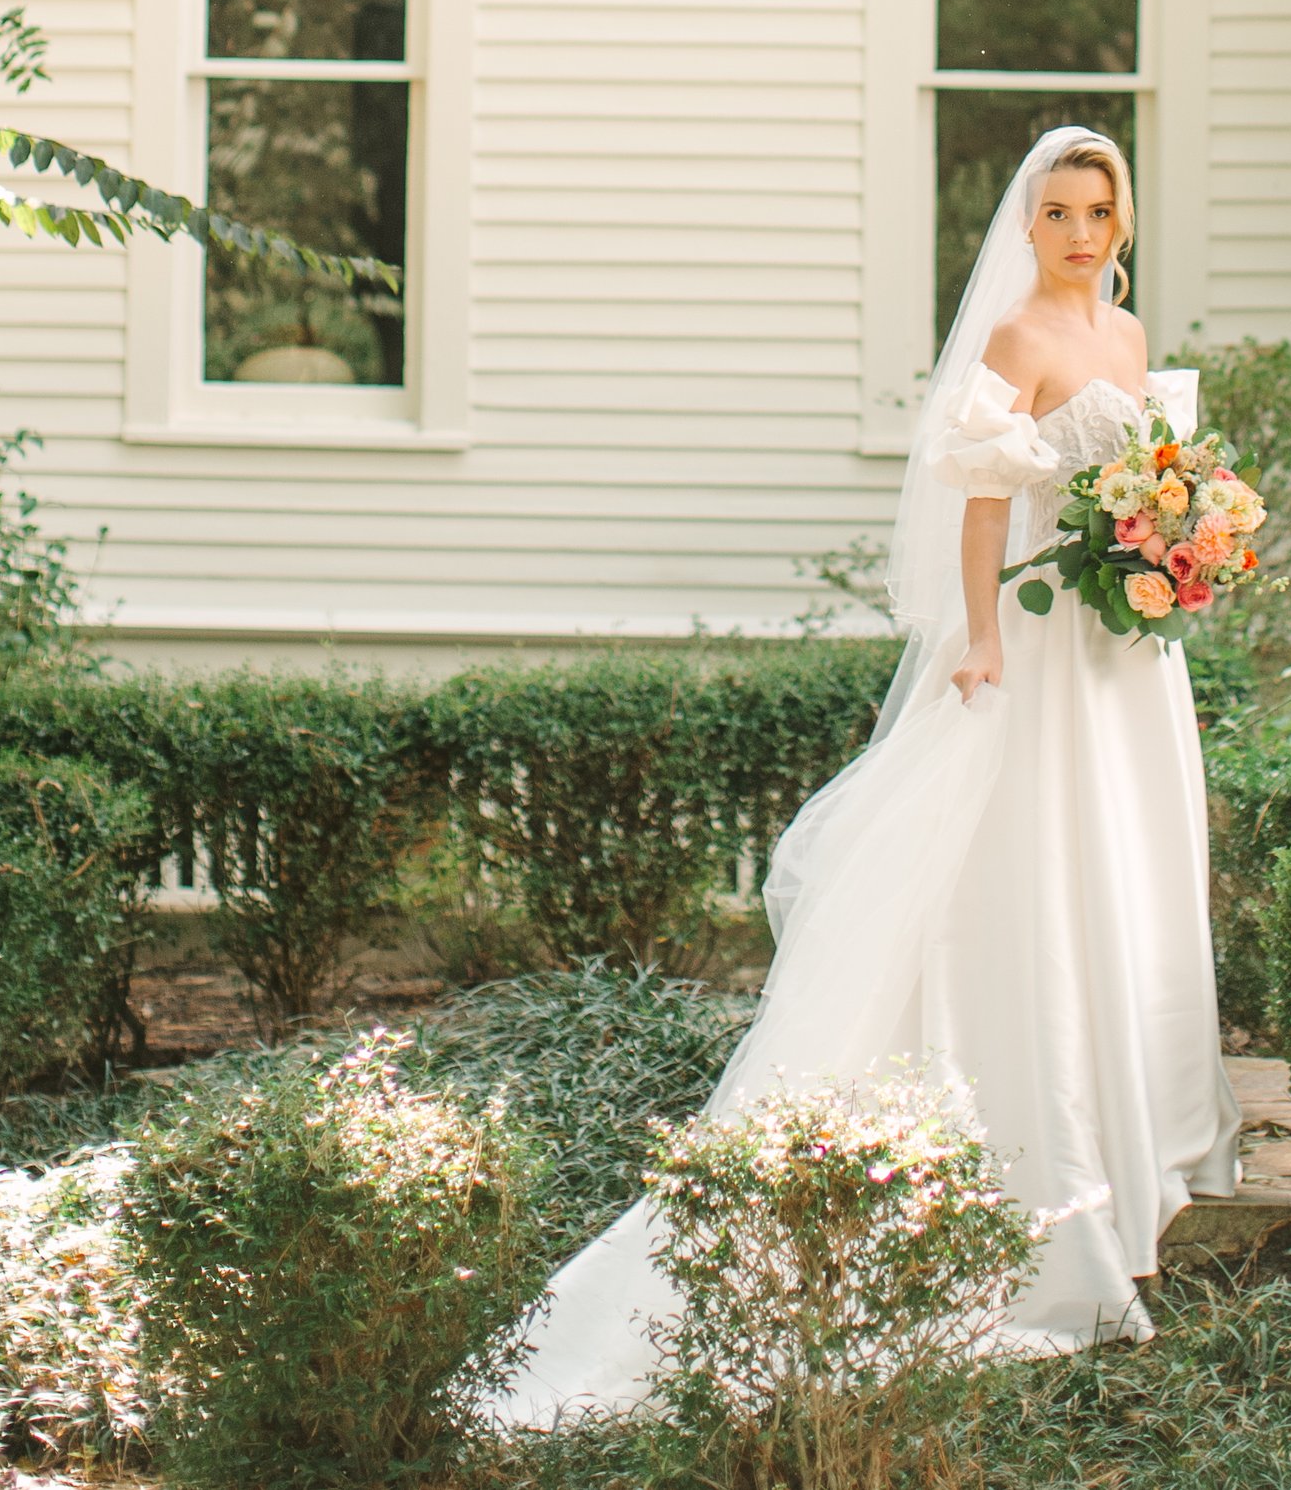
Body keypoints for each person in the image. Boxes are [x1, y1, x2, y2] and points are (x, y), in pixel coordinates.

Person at [481, 125, 1245, 1428]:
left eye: (1096, 208)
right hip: (1047, 644)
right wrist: (986, 637)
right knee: (1034, 873)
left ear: (1122, 221)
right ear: (1030, 225)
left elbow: (1160, 489)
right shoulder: (1016, 346)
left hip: (1133, 656)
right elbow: (987, 504)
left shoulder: (1124, 340)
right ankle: (1035, 1166)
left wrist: (1187, 549)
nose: (1077, 229)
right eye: (1056, 209)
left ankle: (1129, 1161)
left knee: (1128, 869)